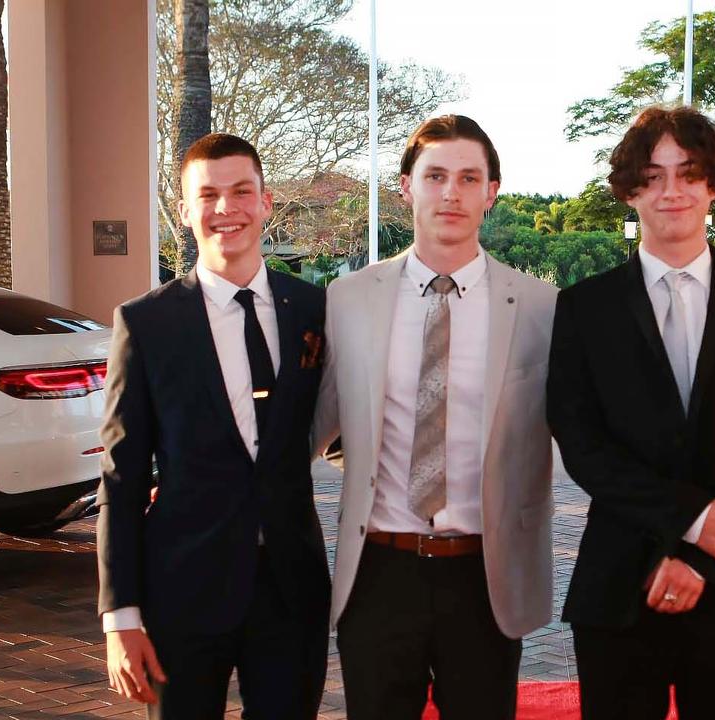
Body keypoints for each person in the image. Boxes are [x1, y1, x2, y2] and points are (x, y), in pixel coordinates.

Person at [546, 105, 715, 720]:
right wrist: (691, 521)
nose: (672, 191)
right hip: (617, 584)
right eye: (653, 176)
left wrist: (699, 553)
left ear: (713, 184)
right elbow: (582, 443)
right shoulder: (585, 308)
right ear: (630, 191)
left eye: (688, 173)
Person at [312, 114, 557, 719]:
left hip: (485, 576)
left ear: (491, 192)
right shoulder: (348, 299)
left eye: (469, 178)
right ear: (406, 187)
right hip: (378, 571)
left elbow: (582, 432)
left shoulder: (541, 308)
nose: (452, 192)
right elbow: (307, 428)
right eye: (436, 176)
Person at [97, 133, 331, 717]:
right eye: (209, 195)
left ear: (266, 201)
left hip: (290, 589)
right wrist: (120, 617)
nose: (226, 208)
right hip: (181, 591)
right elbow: (120, 480)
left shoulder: (314, 309)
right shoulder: (146, 324)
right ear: (184, 210)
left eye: (241, 191)